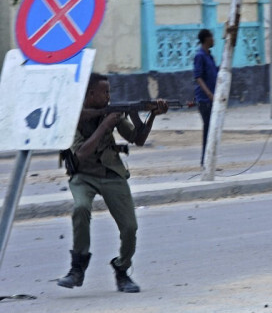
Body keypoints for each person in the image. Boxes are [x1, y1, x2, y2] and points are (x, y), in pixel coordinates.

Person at [57, 73, 169, 292]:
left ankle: (122, 269)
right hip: (83, 175)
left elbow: (138, 139)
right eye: (104, 92)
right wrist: (104, 124)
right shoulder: (73, 117)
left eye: (109, 92)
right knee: (80, 208)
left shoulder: (112, 112)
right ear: (90, 94)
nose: (109, 97)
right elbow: (80, 153)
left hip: (111, 173)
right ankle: (77, 269)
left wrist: (152, 115)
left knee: (130, 227)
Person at [193, 28, 219, 166]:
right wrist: (209, 94)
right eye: (212, 37)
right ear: (206, 39)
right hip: (205, 99)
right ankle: (205, 161)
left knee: (211, 129)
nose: (214, 39)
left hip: (212, 98)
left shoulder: (210, 56)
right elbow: (198, 77)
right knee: (208, 128)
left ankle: (208, 161)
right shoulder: (200, 56)